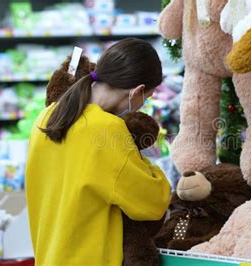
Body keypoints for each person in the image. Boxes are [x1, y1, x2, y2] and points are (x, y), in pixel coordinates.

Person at [25, 38, 171, 266]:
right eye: (147, 98)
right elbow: (152, 202)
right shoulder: (107, 129)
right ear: (137, 91)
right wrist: (150, 166)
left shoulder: (48, 115)